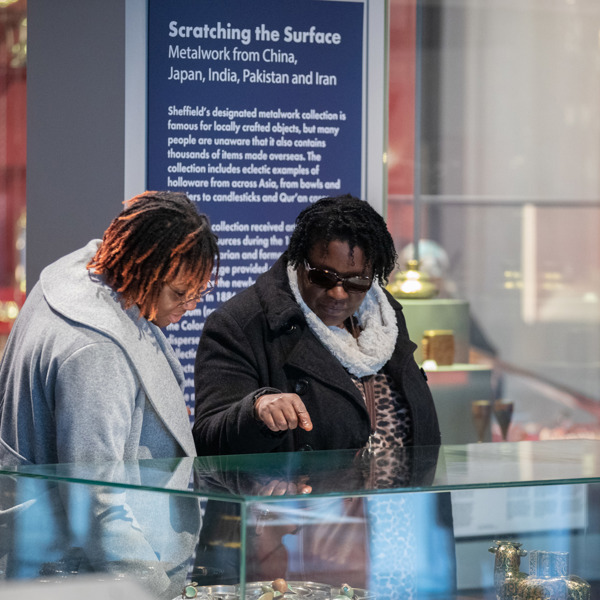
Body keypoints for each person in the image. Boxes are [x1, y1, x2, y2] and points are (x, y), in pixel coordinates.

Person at [193, 194, 440, 455]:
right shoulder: (242, 324)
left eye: (356, 282)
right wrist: (255, 411)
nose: (338, 294)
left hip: (405, 495)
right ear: (300, 263)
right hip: (301, 496)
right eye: (323, 277)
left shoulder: (385, 318)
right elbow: (209, 437)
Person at [0, 190, 219, 465]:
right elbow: (97, 497)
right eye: (179, 294)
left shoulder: (69, 275)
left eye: (198, 293)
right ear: (143, 272)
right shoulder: (99, 351)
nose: (190, 306)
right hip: (70, 507)